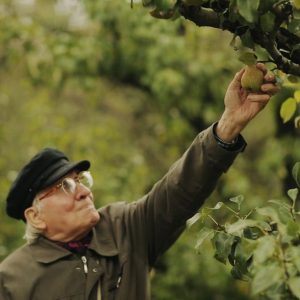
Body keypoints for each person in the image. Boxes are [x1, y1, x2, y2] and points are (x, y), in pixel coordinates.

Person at [0, 64, 279, 300]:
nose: (84, 192)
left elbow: (179, 191)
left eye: (81, 180)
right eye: (66, 186)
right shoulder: (12, 280)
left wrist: (228, 124)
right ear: (35, 216)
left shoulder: (125, 228)